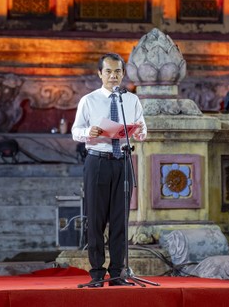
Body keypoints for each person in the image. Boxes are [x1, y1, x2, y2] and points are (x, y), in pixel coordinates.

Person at [71, 52, 147, 287]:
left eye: (118, 72)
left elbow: (143, 130)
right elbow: (76, 131)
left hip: (122, 161)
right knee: (96, 219)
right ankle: (96, 274)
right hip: (97, 162)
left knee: (120, 220)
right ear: (99, 74)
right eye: (109, 72)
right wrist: (89, 132)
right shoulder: (89, 100)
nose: (113, 76)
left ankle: (116, 273)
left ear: (123, 74)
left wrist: (138, 132)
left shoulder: (131, 100)